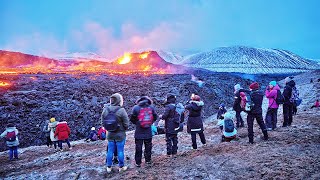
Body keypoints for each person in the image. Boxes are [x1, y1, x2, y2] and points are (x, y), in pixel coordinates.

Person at [100, 93, 129, 173]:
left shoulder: (106, 109)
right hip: (120, 134)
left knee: (110, 150)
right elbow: (126, 124)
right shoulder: (121, 110)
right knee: (120, 151)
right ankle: (121, 167)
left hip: (110, 134)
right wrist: (122, 129)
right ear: (119, 100)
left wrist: (108, 129)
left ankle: (108, 167)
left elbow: (103, 123)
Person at [130, 96, 158, 167]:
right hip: (148, 130)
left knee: (138, 147)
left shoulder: (136, 108)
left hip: (139, 130)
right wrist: (150, 123)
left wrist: (137, 123)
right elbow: (155, 117)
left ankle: (138, 162)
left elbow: (132, 118)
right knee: (148, 146)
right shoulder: (151, 107)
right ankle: (148, 160)